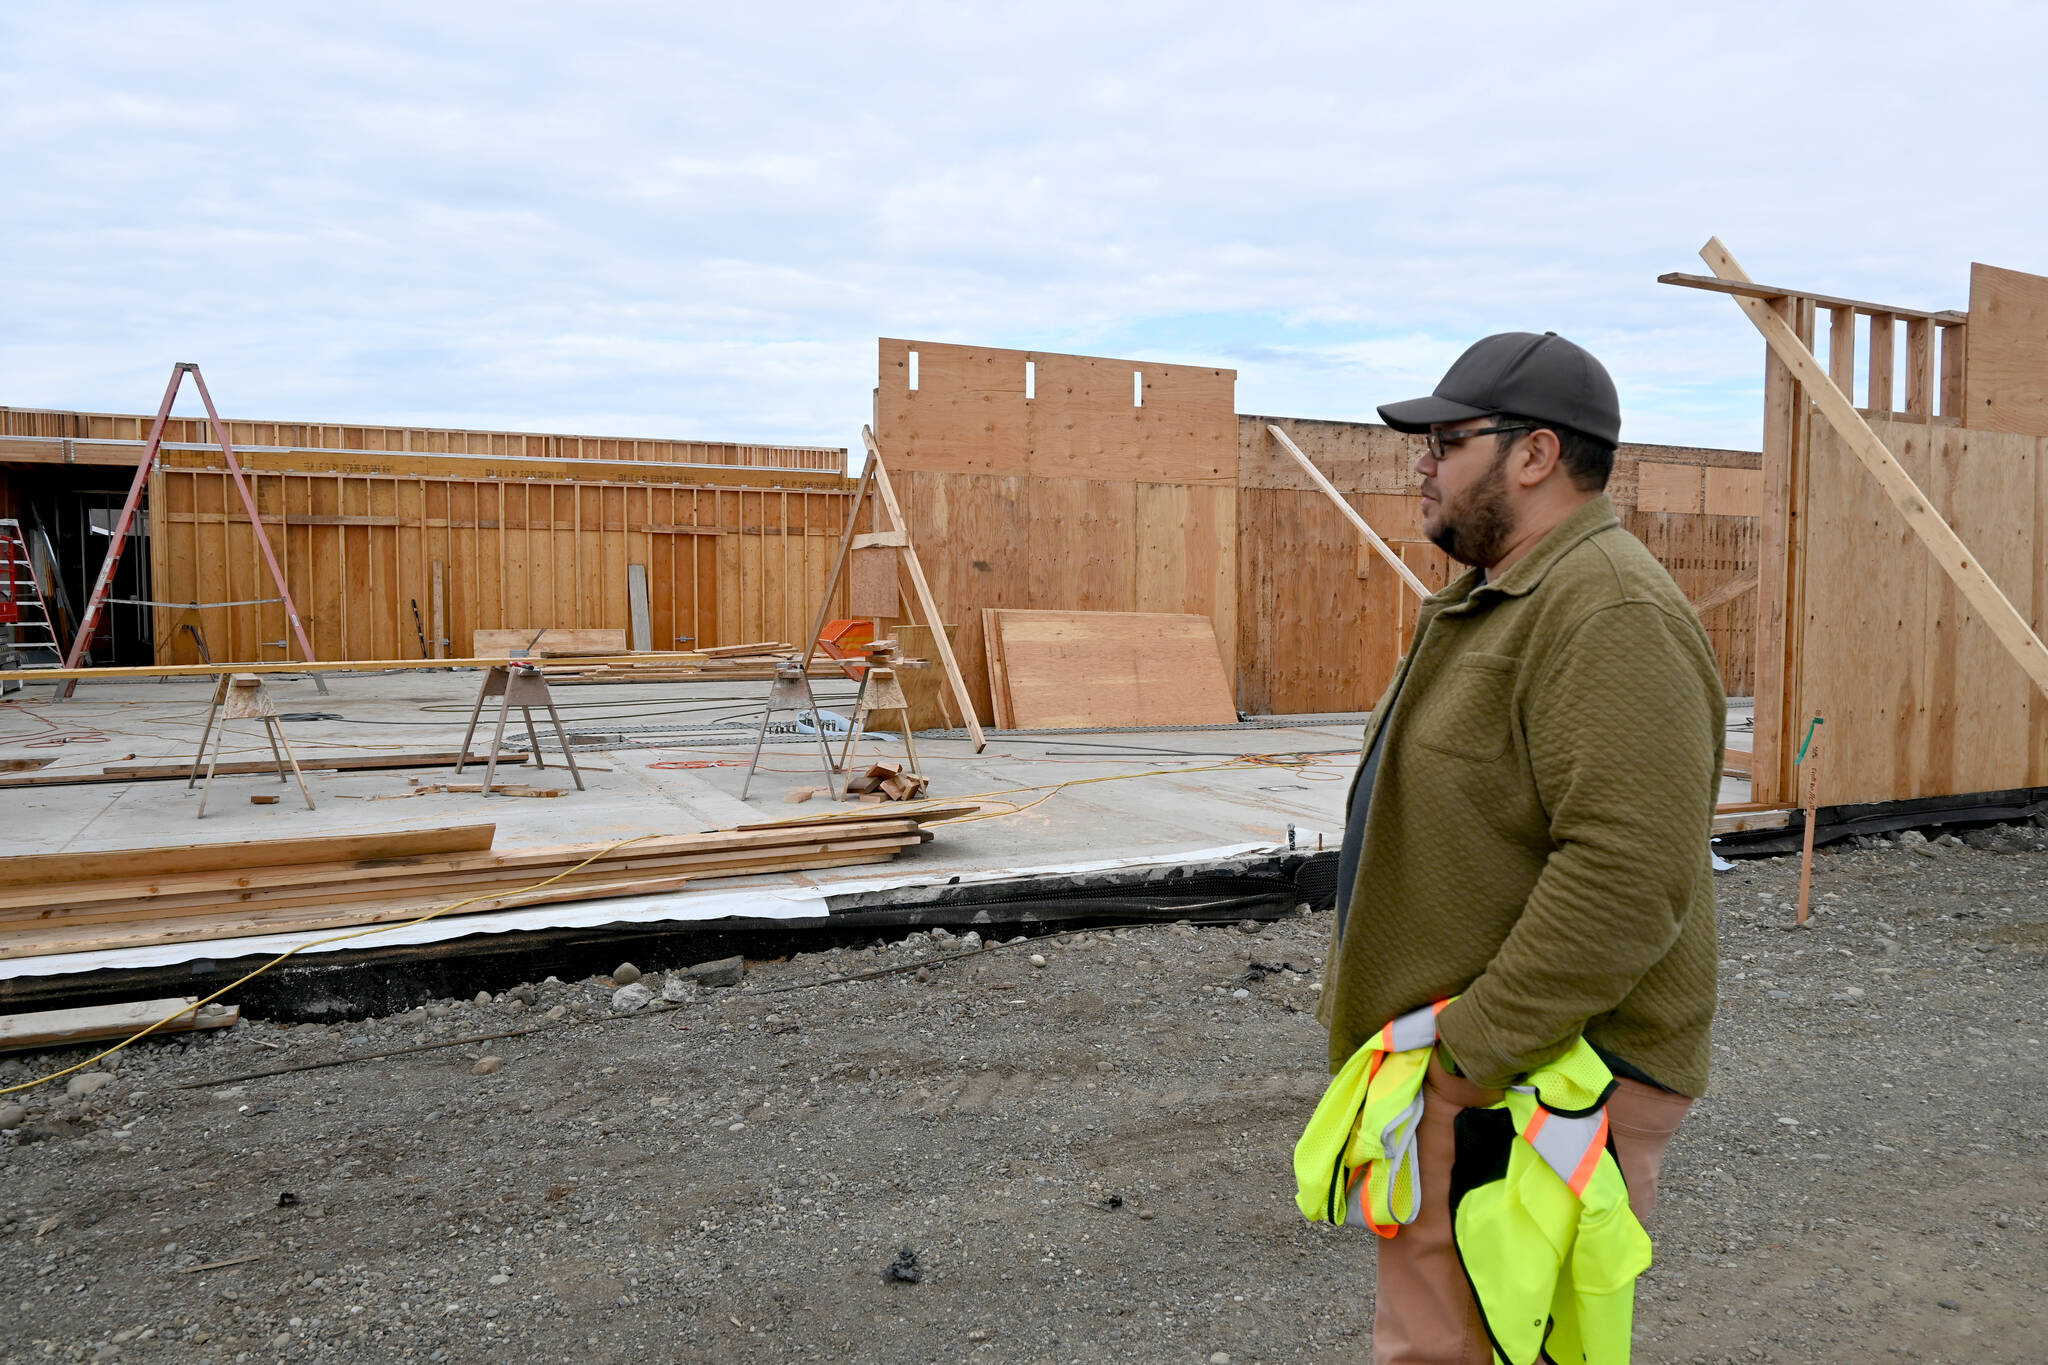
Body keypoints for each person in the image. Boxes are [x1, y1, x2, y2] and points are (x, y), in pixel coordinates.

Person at [1320, 332, 1723, 1364]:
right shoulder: (1502, 596)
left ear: (1534, 455)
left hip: (1537, 1079)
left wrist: (1465, 1059)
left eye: (1447, 441)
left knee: (1479, 1347)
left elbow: (1625, 876)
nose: (1422, 464)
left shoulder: (1608, 609)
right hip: (1488, 1071)